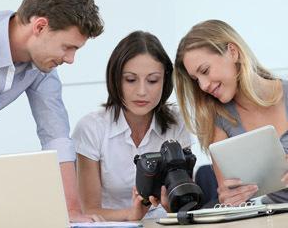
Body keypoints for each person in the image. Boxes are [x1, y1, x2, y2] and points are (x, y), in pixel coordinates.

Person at [0, 0, 104, 222]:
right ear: (40, 26)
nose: (70, 59)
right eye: (68, 47)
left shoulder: (41, 66)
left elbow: (56, 136)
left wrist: (72, 212)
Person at [72, 31, 193, 221]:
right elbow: (89, 211)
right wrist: (131, 215)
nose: (142, 91)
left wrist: (173, 207)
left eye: (153, 80)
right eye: (130, 80)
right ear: (116, 79)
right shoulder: (91, 128)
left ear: (165, 80)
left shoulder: (176, 124)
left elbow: (184, 200)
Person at [174, 19, 288, 206]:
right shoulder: (218, 120)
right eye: (196, 79)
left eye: (205, 70)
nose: (203, 86)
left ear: (233, 52)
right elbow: (228, 197)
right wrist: (230, 200)